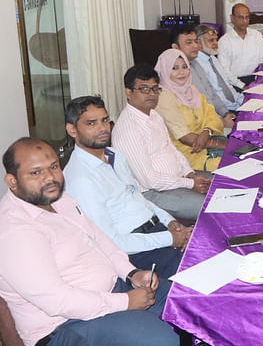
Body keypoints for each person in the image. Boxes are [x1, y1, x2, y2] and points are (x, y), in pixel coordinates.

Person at [0, 137, 180, 346]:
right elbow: (58, 301)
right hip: (64, 328)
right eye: (36, 173)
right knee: (166, 343)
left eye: (54, 167)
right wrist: (125, 302)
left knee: (184, 303)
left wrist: (131, 273)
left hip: (109, 292)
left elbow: (101, 240)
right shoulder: (14, 232)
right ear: (12, 181)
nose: (50, 178)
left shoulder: (60, 199)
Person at [63, 96, 191, 280]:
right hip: (136, 252)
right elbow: (110, 242)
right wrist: (170, 238)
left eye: (105, 120)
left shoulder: (114, 155)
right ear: (72, 130)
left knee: (211, 241)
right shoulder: (81, 179)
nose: (102, 128)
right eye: (91, 123)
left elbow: (138, 197)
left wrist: (170, 222)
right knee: (201, 267)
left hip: (158, 231)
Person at [112, 64, 209, 220]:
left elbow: (173, 150)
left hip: (179, 181)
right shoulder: (128, 129)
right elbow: (149, 181)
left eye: (155, 89)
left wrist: (190, 173)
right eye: (144, 89)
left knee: (225, 184)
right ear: (128, 92)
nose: (151, 94)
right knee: (213, 207)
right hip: (154, 193)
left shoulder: (154, 116)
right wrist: (190, 183)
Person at [154, 49, 225, 172]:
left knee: (248, 153)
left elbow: (211, 115)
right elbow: (184, 137)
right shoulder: (164, 96)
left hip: (207, 144)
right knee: (236, 163)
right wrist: (223, 145)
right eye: (174, 68)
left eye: (184, 67)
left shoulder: (191, 89)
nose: (181, 72)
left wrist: (206, 132)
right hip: (187, 155)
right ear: (164, 71)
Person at [171, 24, 240, 126]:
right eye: (189, 42)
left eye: (195, 41)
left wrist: (225, 114)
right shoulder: (176, 73)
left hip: (217, 116)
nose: (195, 46)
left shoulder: (195, 64)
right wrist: (221, 122)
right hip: (202, 126)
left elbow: (212, 94)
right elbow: (194, 111)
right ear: (175, 47)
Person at [217, 2, 263, 82]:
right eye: (241, 17)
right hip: (234, 81)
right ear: (232, 18)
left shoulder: (257, 36)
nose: (244, 21)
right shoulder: (224, 41)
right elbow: (224, 71)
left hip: (255, 78)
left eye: (247, 17)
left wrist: (258, 81)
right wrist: (241, 85)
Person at [196, 24, 246, 91]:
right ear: (199, 43)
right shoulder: (196, 65)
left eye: (216, 39)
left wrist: (241, 98)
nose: (216, 43)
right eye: (211, 40)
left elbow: (227, 84)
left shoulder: (213, 59)